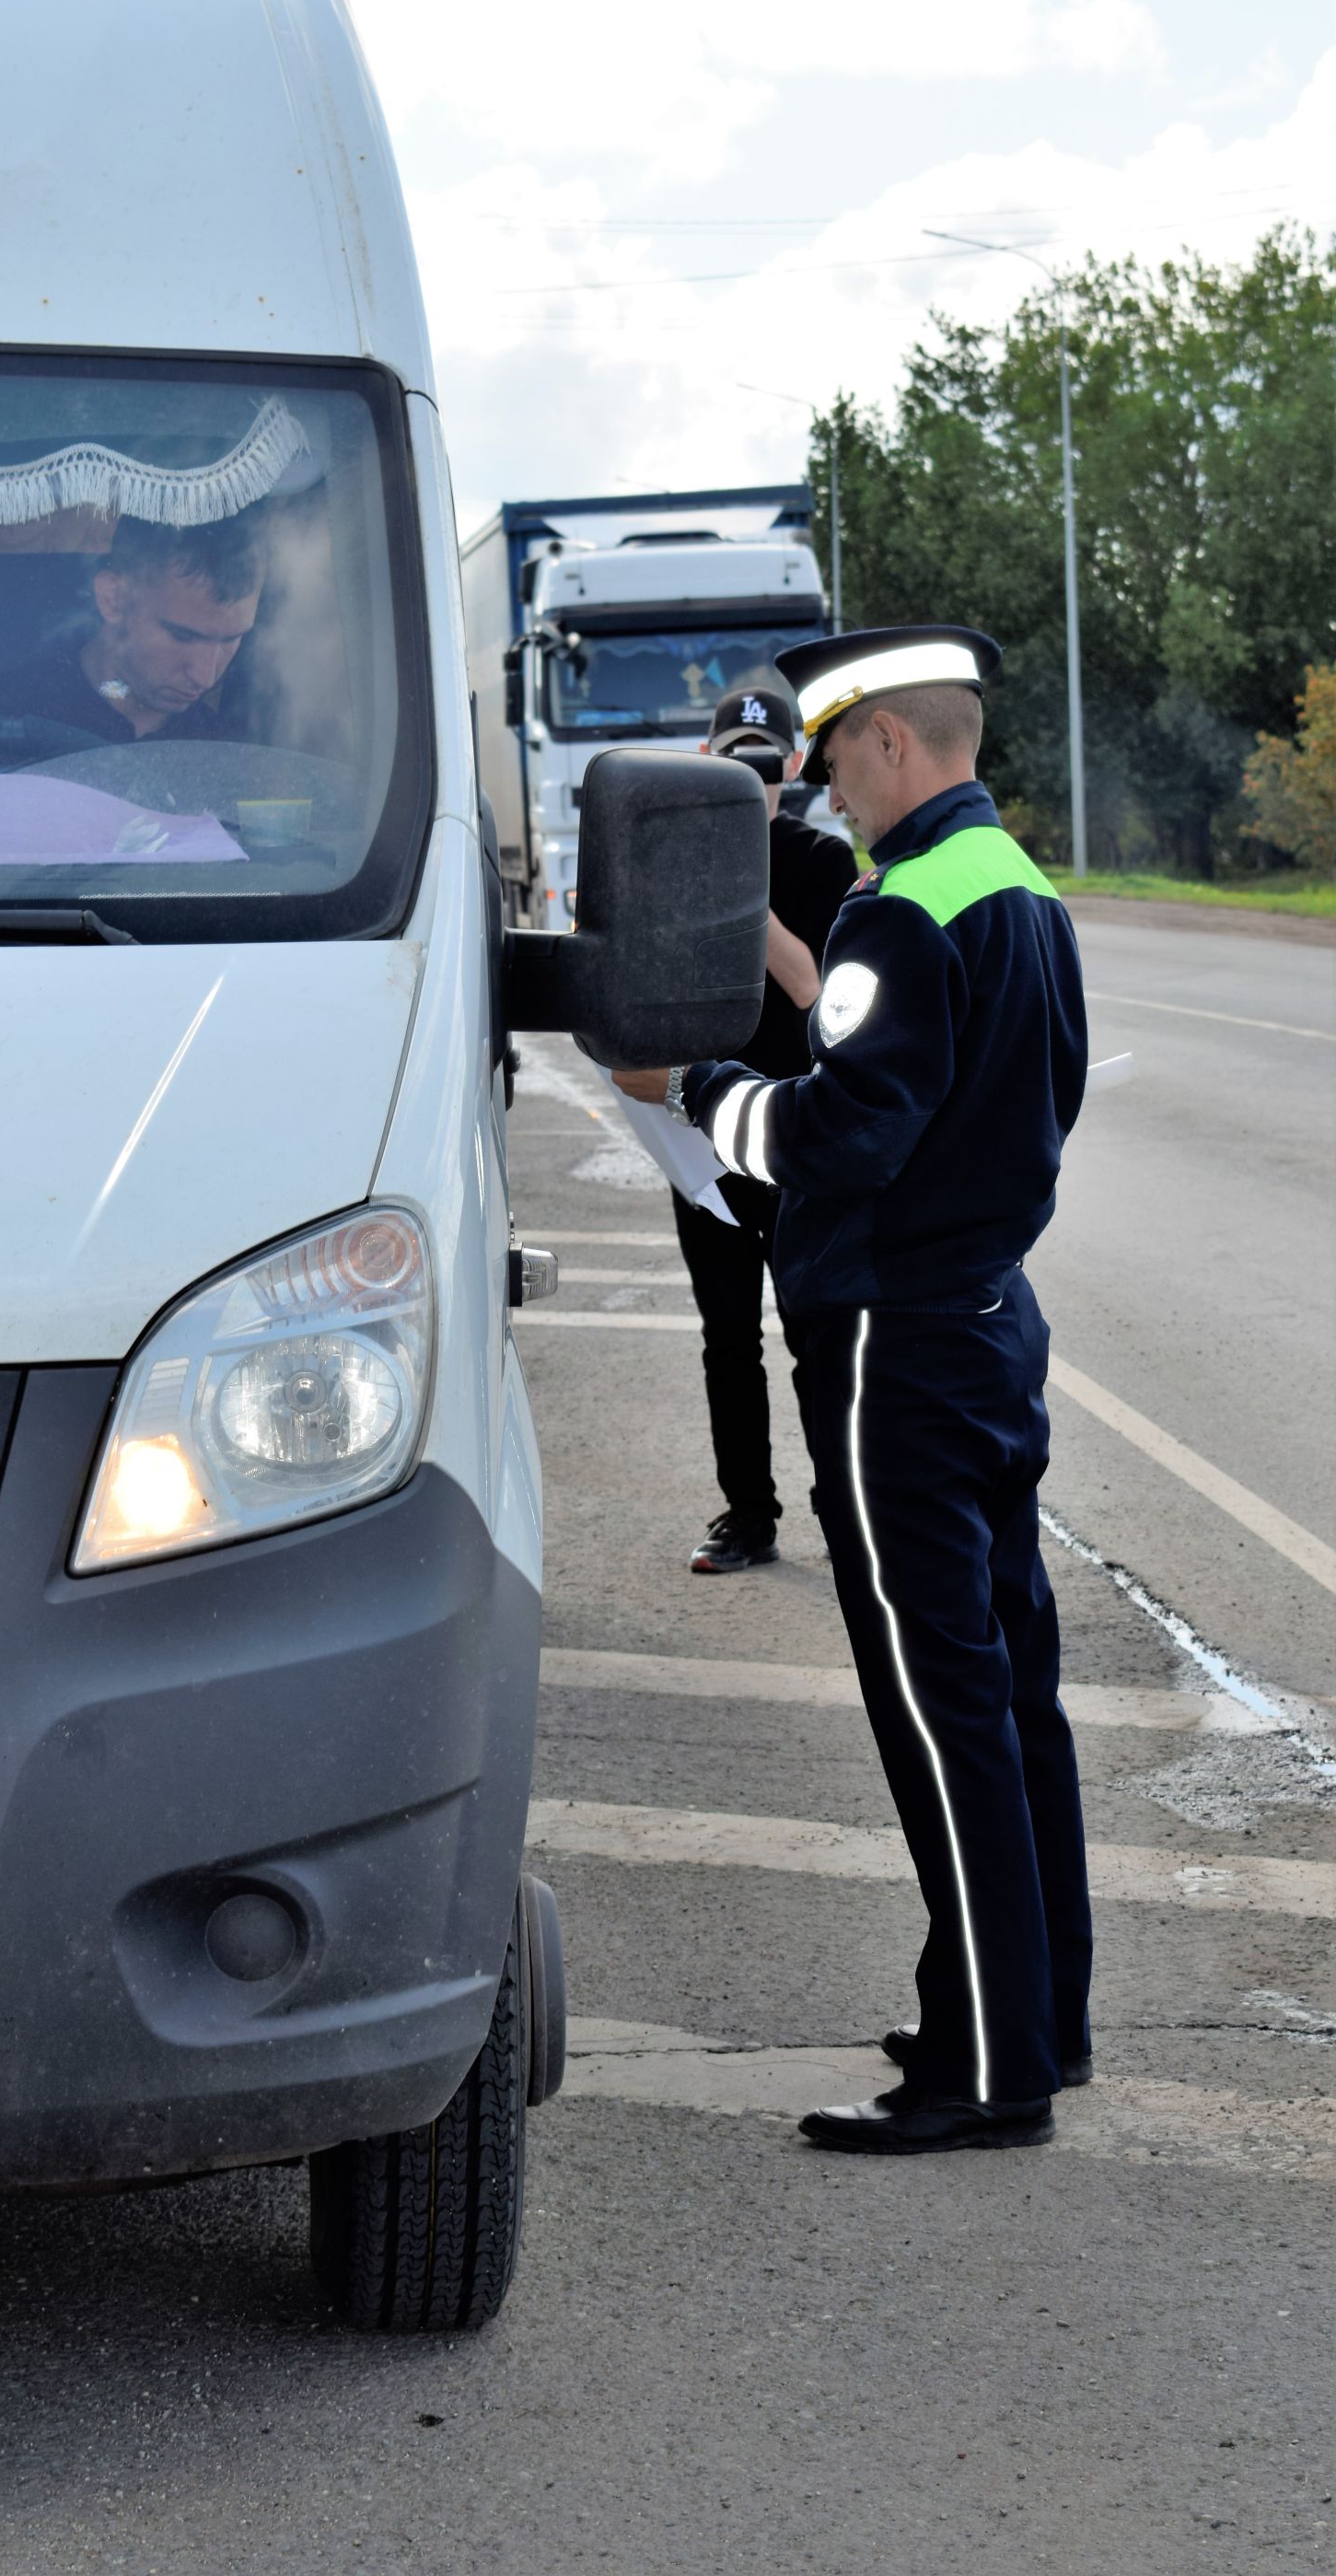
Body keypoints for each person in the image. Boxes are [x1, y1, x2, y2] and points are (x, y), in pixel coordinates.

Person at [661, 625, 1094, 2156]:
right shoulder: (1021, 893)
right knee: (1010, 1696)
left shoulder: (900, 912)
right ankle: (1031, 2014)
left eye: (835, 751)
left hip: (893, 1346)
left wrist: (713, 1102)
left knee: (939, 1710)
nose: (823, 781)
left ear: (892, 744)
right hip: (987, 1322)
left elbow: (850, 1133)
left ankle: (984, 2072)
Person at [620, 684, 856, 1574]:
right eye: (734, 759)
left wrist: (740, 894)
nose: (752, 776)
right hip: (702, 1138)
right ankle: (746, 1517)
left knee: (814, 1336)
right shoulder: (674, 862)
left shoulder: (824, 864)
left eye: (767, 760)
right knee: (728, 1338)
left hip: (796, 1132)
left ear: (794, 766)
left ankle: (846, 1511)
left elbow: (817, 990)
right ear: (710, 763)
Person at [0, 510, 267, 749]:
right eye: (182, 636)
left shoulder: (228, 757)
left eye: (231, 639)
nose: (206, 677)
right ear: (114, 599)